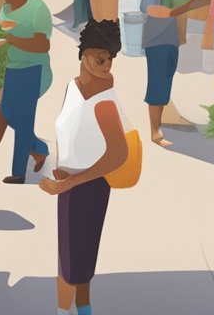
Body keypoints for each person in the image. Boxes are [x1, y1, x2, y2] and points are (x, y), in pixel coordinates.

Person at [40, 20, 130, 315]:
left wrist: (71, 182)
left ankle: (72, 310)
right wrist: (57, 165)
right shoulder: (72, 88)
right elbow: (69, 132)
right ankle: (78, 308)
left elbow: (118, 154)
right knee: (70, 258)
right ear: (84, 56)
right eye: (101, 59)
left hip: (88, 187)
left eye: (110, 60)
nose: (107, 66)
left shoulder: (104, 102)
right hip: (68, 182)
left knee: (75, 261)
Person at [137, 0, 209, 146]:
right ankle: (154, 130)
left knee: (165, 81)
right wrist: (188, 4)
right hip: (157, 40)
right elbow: (154, 11)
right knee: (157, 84)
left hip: (169, 38)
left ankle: (161, 121)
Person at [0, 0, 52, 183]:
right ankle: (39, 148)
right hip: (12, 68)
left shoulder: (37, 9)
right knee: (7, 111)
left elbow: (42, 45)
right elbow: (1, 34)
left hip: (33, 69)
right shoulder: (4, 11)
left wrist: (11, 40)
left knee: (25, 120)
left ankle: (19, 172)